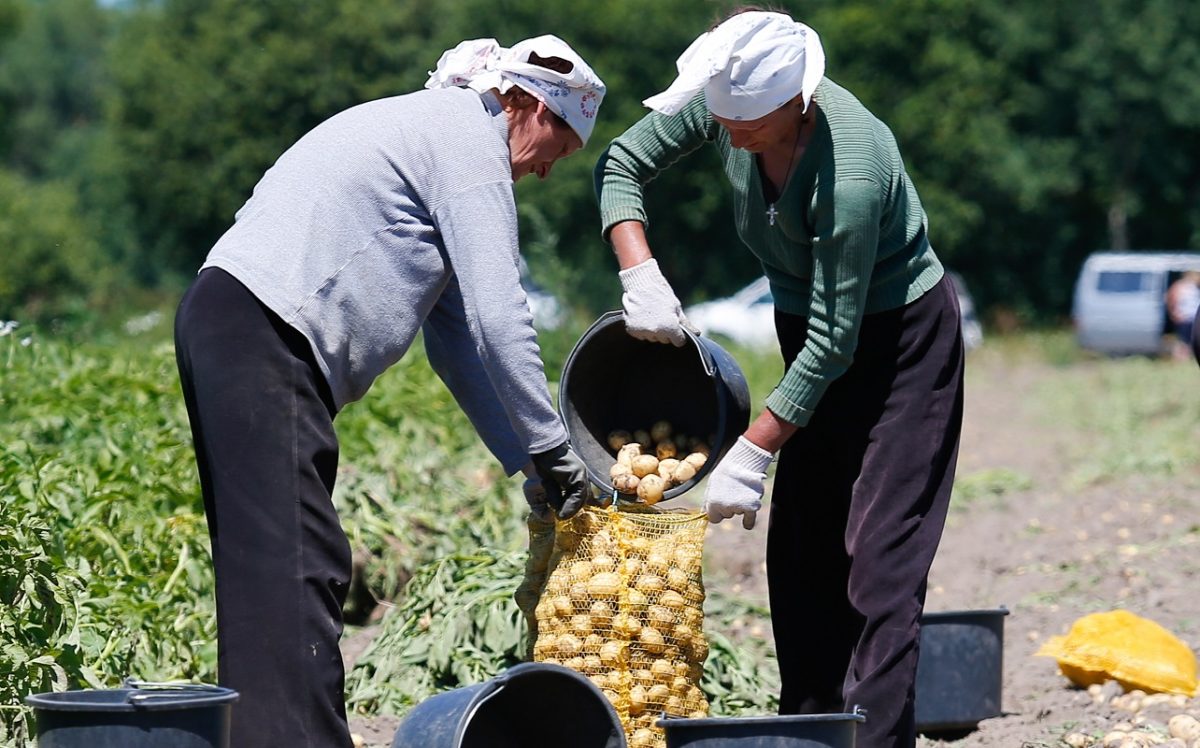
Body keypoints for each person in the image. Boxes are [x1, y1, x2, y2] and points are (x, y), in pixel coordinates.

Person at [174, 35, 603, 748]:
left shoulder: (430, 143)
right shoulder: (469, 143)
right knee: (297, 563)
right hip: (263, 331)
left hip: (238, 324)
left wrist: (531, 463)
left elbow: (461, 343)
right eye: (563, 139)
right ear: (526, 102)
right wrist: (557, 452)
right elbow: (501, 319)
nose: (554, 167)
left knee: (273, 563)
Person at [594, 10, 964, 748]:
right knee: (801, 547)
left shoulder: (852, 168)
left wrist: (754, 450)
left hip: (900, 344)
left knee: (880, 557)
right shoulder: (732, 100)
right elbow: (622, 165)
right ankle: (810, 726)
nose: (730, 134)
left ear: (797, 101)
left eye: (748, 125)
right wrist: (639, 270)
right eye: (722, 119)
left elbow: (837, 341)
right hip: (811, 332)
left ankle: (878, 737)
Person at [1165, 271, 1200, 361]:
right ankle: (1180, 359)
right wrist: (1174, 313)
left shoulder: (1195, 286)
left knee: (1193, 341)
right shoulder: (1179, 286)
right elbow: (1170, 298)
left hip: (1194, 319)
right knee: (1183, 341)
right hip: (1184, 318)